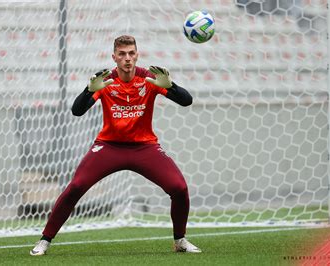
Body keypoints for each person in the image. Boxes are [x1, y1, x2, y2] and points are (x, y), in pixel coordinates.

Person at [30, 35, 201, 255]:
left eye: (131, 53)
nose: (127, 59)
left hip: (144, 147)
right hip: (109, 147)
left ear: (137, 55)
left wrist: (172, 86)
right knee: (76, 187)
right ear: (114, 57)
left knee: (179, 188)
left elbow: (186, 101)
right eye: (122, 54)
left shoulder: (149, 79)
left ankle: (180, 241)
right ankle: (45, 240)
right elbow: (77, 111)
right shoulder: (106, 80)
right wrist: (89, 91)